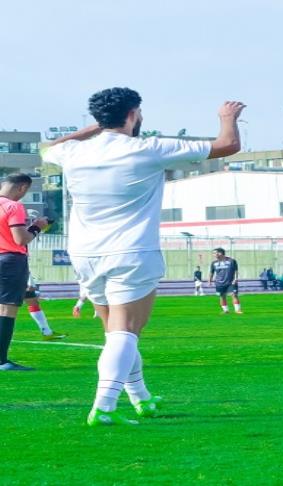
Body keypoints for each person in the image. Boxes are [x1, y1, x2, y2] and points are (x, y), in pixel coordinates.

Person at [41, 87, 244, 425]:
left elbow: (48, 148)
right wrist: (228, 118)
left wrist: (94, 128)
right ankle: (103, 407)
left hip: (85, 254)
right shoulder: (148, 149)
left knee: (115, 334)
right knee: (126, 331)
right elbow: (228, 145)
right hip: (131, 251)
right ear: (133, 114)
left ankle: (141, 397)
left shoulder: (73, 152)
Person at [0, 173, 50, 371]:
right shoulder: (14, 206)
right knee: (6, 309)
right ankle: (2, 360)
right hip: (10, 260)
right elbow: (21, 239)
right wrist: (37, 227)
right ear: (22, 187)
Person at [25, 274, 66, 341]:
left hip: (16, 276)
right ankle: (47, 333)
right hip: (15, 276)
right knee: (8, 308)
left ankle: (47, 333)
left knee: (33, 303)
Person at [209, 248, 242, 314]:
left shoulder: (232, 261)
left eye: (215, 253)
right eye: (214, 253)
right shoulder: (214, 263)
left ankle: (237, 310)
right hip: (219, 283)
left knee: (234, 295)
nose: (214, 255)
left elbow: (236, 271)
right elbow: (211, 272)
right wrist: (210, 281)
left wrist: (236, 279)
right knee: (222, 296)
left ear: (220, 253)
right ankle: (225, 310)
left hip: (231, 282)